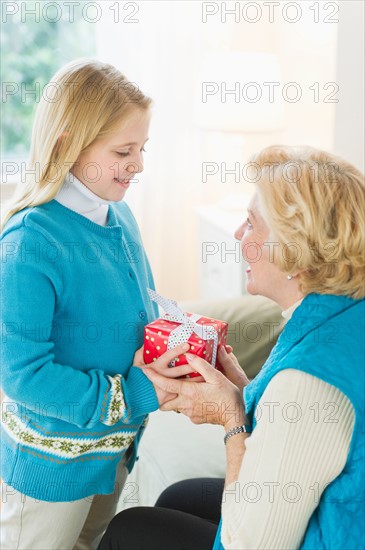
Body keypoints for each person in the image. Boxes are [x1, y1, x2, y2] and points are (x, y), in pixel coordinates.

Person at [98, 145, 365, 550]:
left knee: (128, 529)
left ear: (295, 250)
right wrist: (242, 388)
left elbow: (248, 545)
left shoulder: (310, 381)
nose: (239, 235)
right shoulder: (338, 314)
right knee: (180, 497)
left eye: (251, 223)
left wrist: (232, 419)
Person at [0, 58, 195, 549]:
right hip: (54, 467)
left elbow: (138, 306)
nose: (140, 164)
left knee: (91, 542)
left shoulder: (120, 214)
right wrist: (132, 393)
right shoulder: (29, 242)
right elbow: (23, 375)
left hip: (114, 449)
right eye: (124, 150)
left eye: (143, 148)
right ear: (68, 145)